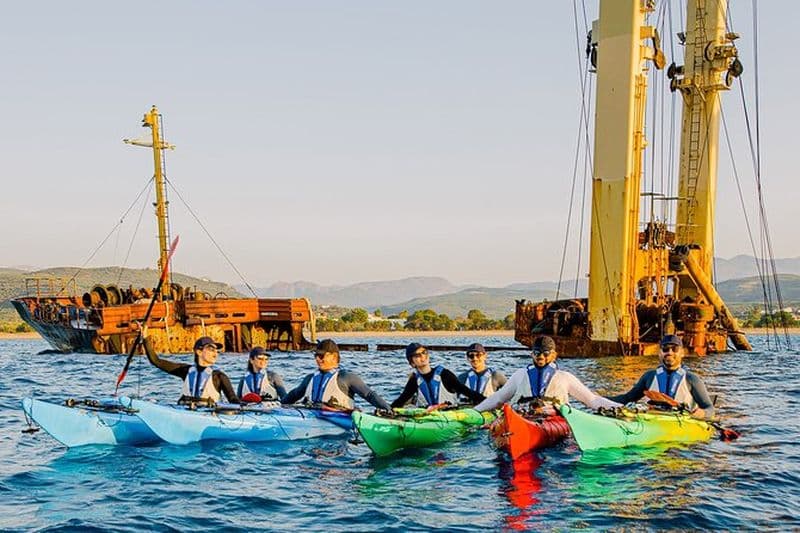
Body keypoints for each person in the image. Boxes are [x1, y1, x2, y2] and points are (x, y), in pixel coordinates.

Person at [474, 336, 619, 412]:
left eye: (545, 353)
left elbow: (592, 400)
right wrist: (475, 411)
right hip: (524, 415)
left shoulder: (564, 377)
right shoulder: (520, 375)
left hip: (552, 418)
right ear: (532, 354)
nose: (541, 356)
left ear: (554, 355)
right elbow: (499, 398)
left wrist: (619, 408)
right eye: (537, 353)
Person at [606, 334, 715, 419]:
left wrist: (702, 413)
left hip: (682, 420)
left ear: (682, 353)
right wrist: (598, 399)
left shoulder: (692, 379)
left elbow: (710, 408)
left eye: (674, 349)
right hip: (655, 419)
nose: (670, 352)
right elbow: (627, 398)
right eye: (665, 349)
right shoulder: (649, 377)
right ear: (660, 353)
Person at [282, 339, 391, 410]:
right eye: (316, 356)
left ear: (334, 356)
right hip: (312, 415)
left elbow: (369, 395)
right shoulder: (310, 378)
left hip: (339, 419)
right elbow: (294, 395)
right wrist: (277, 405)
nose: (317, 359)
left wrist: (388, 410)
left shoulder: (346, 377)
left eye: (321, 356)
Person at [144, 335, 239, 404]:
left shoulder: (219, 377)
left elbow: (233, 400)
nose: (215, 353)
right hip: (186, 411)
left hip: (210, 416)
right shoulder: (185, 370)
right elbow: (156, 361)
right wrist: (145, 338)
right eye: (211, 349)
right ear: (199, 351)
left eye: (216, 350)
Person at [391, 342, 486, 408]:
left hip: (450, 416)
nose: (422, 357)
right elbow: (401, 400)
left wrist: (489, 403)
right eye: (417, 355)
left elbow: (467, 392)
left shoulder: (445, 374)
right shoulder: (414, 380)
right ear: (412, 363)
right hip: (428, 418)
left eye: (424, 353)